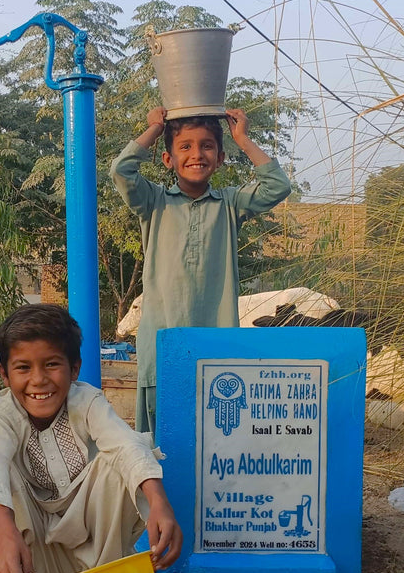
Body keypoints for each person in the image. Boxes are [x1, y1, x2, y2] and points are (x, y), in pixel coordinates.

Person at [0, 303, 182, 573]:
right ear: (4, 374)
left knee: (123, 458)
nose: (38, 380)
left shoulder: (87, 401)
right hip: (32, 548)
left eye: (52, 365)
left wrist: (158, 502)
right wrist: (5, 535)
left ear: (74, 369)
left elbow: (125, 446)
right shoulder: (1, 412)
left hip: (90, 542)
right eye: (23, 368)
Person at [110, 107, 291, 433]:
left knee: (215, 434)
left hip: (215, 344)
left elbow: (277, 186)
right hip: (162, 342)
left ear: (220, 158)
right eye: (185, 147)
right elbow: (122, 171)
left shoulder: (230, 204)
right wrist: (153, 128)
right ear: (168, 159)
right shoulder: (154, 202)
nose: (197, 154)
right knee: (161, 438)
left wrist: (243, 139)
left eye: (207, 146)